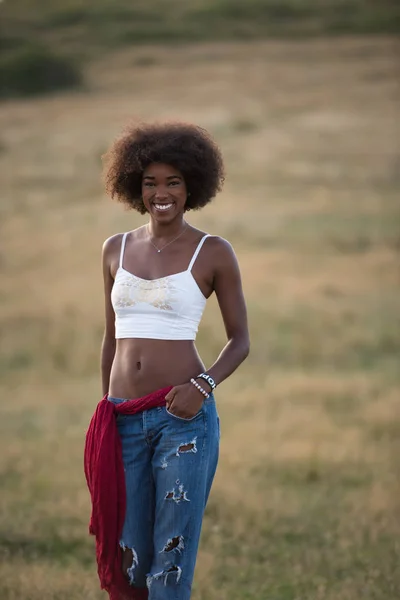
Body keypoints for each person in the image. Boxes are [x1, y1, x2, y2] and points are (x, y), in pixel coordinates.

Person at [85, 121, 249, 600]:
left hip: (183, 421)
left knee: (169, 562)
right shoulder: (114, 248)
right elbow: (111, 336)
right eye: (150, 182)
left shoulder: (212, 252)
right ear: (134, 187)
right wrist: (108, 410)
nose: (161, 192)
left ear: (191, 186)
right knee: (129, 555)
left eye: (172, 182)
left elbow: (240, 341)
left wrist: (203, 387)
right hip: (123, 419)